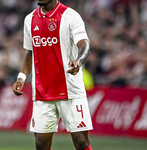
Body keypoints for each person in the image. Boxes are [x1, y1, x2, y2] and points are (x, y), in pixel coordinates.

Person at [13, 0, 93, 150]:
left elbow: (84, 45)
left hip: (70, 90)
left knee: (81, 141)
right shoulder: (29, 19)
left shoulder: (70, 16)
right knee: (41, 144)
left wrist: (79, 61)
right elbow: (31, 52)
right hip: (43, 91)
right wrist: (21, 77)